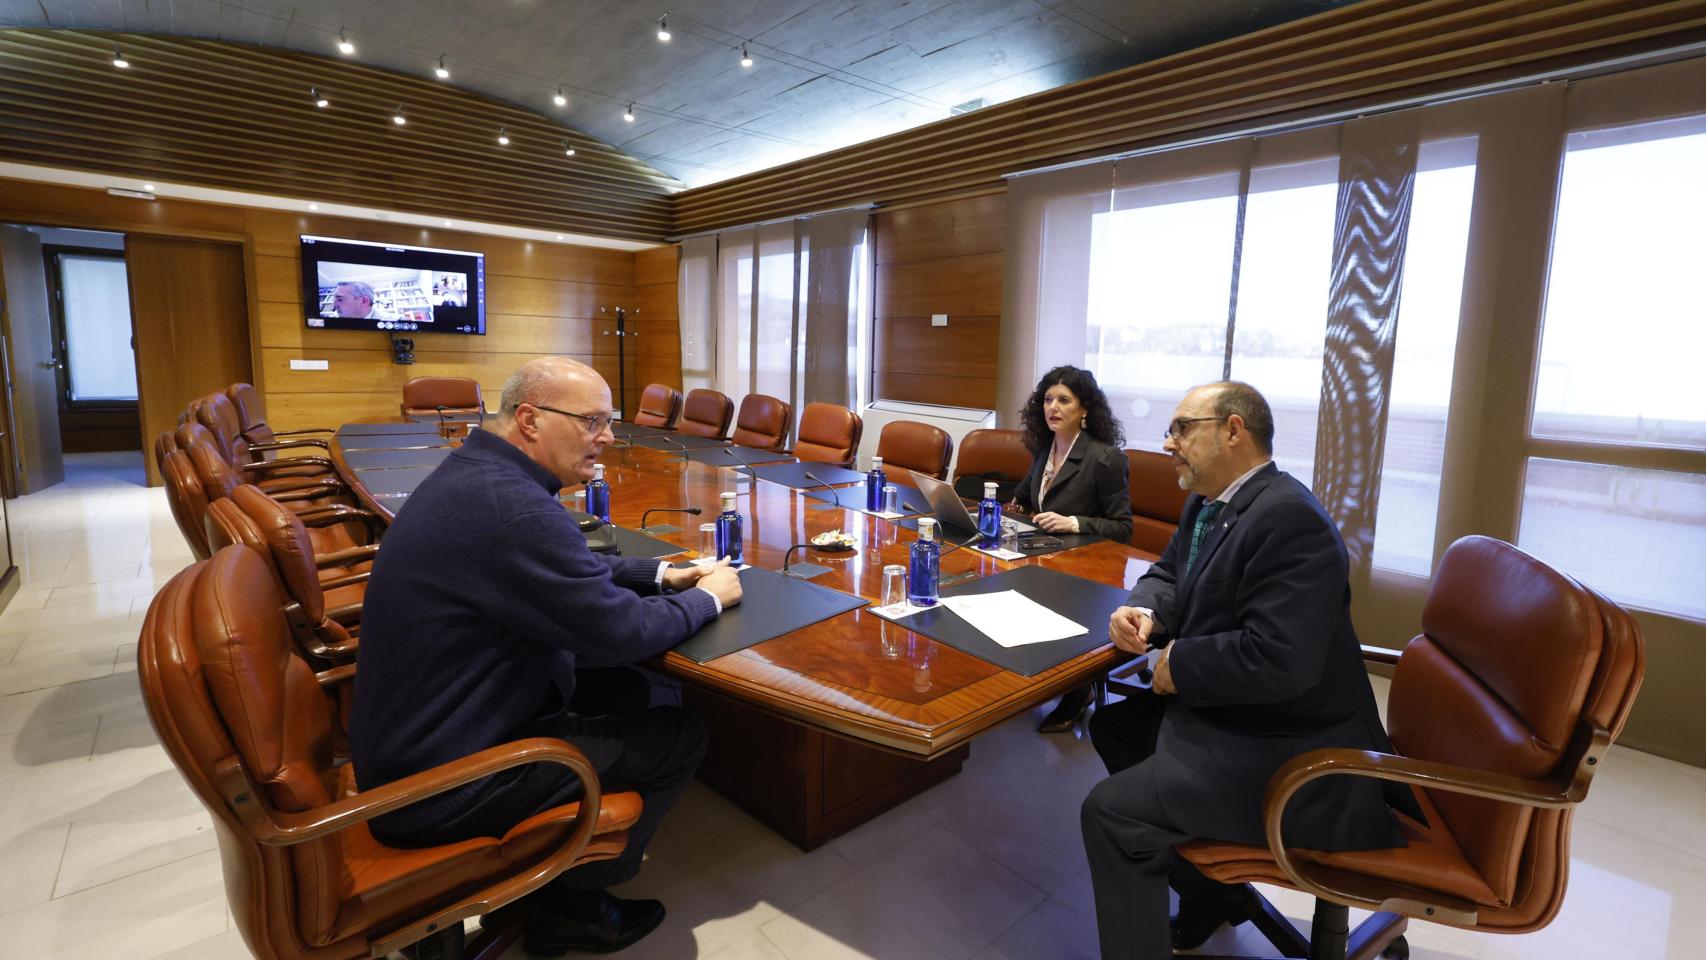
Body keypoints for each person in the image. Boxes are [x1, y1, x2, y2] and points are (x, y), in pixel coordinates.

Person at [350, 356, 743, 956]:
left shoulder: (479, 475)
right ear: (530, 419)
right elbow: (618, 634)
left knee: (628, 692)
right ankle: (572, 910)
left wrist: (661, 572)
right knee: (680, 733)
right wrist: (708, 600)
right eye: (593, 421)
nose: (608, 437)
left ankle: (563, 870)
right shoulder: (515, 509)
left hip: (418, 741)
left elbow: (561, 570)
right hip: (444, 782)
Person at [1080, 381, 1418, 959]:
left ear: (1233, 431)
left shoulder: (1290, 521)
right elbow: (1168, 575)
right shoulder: (1210, 501)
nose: (1168, 443)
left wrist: (1178, 663)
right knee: (1115, 729)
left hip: (1298, 751)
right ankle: (1214, 894)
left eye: (1183, 428)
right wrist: (1143, 610)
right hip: (1249, 715)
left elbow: (1278, 660)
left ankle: (1196, 897)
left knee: (1111, 815)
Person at [1010, 365, 1132, 733]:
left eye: (1064, 400)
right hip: (1044, 555)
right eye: (1048, 399)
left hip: (1085, 569)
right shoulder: (1044, 449)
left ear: (1085, 410)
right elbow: (1025, 497)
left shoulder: (1106, 458)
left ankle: (1078, 691)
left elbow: (1124, 527)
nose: (1053, 407)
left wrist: (1073, 522)